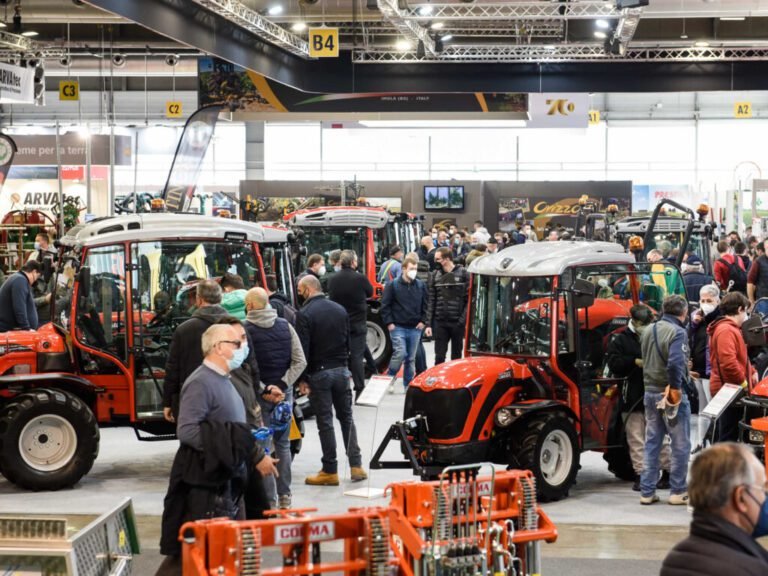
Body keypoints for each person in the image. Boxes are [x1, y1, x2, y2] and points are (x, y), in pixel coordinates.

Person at [159, 323, 278, 573]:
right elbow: (187, 431)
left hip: (227, 481)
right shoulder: (200, 383)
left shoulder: (225, 380)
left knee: (227, 553)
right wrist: (231, 447)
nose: (242, 348)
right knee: (197, 556)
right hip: (209, 485)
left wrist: (249, 451)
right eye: (236, 344)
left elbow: (235, 426)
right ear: (218, 348)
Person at [296, 275, 367, 486]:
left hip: (319, 373)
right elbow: (348, 342)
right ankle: (356, 466)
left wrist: (302, 378)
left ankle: (330, 469)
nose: (299, 295)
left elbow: (303, 349)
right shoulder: (339, 310)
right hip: (342, 370)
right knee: (347, 418)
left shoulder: (305, 314)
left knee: (325, 422)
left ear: (308, 290)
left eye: (300, 291)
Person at [660, 443, 768, 576]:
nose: (765, 497)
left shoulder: (676, 558)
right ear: (740, 498)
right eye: (763, 488)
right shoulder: (750, 568)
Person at [244, 288, 306, 509]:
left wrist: (265, 390)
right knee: (283, 445)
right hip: (284, 396)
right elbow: (300, 361)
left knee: (262, 447)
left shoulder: (244, 330)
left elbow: (247, 367)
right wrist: (281, 385)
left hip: (260, 398)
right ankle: (285, 496)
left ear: (250, 306)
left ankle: (269, 500)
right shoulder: (285, 326)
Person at [605, 305, 670, 491]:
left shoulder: (657, 334)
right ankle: (642, 475)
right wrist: (633, 362)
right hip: (631, 394)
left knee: (660, 435)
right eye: (642, 323)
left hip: (656, 391)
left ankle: (668, 471)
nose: (645, 326)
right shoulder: (620, 340)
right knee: (636, 438)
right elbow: (613, 363)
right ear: (633, 320)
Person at [163, 280, 244, 422]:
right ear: (220, 298)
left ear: (198, 300)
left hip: (193, 398)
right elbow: (251, 364)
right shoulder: (236, 328)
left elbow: (173, 369)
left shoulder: (184, 329)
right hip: (231, 395)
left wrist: (168, 402)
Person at [639, 294, 692, 506]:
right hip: (669, 394)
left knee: (652, 442)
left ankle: (647, 491)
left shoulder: (648, 330)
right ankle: (678, 491)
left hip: (649, 392)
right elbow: (675, 364)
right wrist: (676, 389)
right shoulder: (678, 332)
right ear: (683, 312)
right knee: (680, 444)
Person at [707, 292, 757, 442]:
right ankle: (723, 465)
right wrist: (743, 383)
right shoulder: (726, 330)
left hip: (729, 388)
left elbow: (740, 359)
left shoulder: (729, 329)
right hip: (729, 390)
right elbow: (728, 363)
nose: (746, 316)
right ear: (740, 309)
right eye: (746, 311)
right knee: (728, 434)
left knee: (728, 431)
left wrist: (752, 371)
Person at [328, 250, 373, 397]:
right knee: (356, 357)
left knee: (349, 353)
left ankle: (372, 369)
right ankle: (359, 387)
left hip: (340, 323)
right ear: (353, 262)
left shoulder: (333, 279)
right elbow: (370, 293)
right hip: (358, 323)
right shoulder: (360, 278)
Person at [381, 255, 428, 390]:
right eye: (411, 268)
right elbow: (385, 305)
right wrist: (389, 322)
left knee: (411, 358)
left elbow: (426, 304)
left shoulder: (420, 285)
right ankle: (390, 376)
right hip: (398, 326)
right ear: (403, 269)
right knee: (400, 353)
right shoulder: (393, 285)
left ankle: (407, 384)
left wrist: (423, 321)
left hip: (415, 327)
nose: (414, 271)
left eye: (415, 268)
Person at [426, 247, 469, 366]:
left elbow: (469, 300)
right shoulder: (435, 275)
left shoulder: (464, 273)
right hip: (440, 323)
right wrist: (428, 324)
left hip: (457, 323)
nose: (435, 261)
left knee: (456, 358)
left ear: (447, 259)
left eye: (438, 259)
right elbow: (431, 300)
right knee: (439, 356)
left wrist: (461, 321)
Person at [690, 285, 722, 406]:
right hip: (696, 370)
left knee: (712, 405)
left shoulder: (720, 317)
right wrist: (694, 323)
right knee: (701, 408)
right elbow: (687, 337)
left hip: (712, 371)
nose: (705, 303)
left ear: (717, 301)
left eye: (709, 301)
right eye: (702, 301)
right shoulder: (695, 315)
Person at [0, 260, 41, 331]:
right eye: (37, 276)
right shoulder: (20, 280)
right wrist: (26, 328)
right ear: (34, 272)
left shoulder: (18, 278)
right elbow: (19, 307)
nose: (35, 280)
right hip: (7, 331)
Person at [747, 240, 768, 317]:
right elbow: (750, 282)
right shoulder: (758, 261)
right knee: (764, 325)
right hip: (764, 301)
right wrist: (752, 302)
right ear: (764, 249)